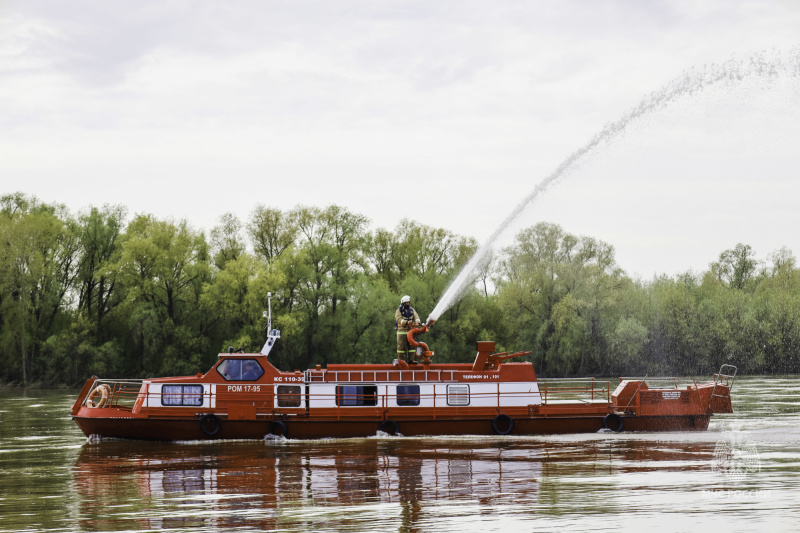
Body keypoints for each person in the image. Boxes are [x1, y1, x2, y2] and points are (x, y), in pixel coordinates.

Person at [395, 295, 421, 363]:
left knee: (412, 346)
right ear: (403, 303)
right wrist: (406, 322)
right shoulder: (399, 311)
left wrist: (418, 322)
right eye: (406, 303)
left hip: (410, 331)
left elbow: (416, 316)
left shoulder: (412, 310)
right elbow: (399, 320)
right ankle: (401, 361)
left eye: (409, 302)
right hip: (401, 332)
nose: (408, 304)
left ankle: (411, 360)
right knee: (401, 347)